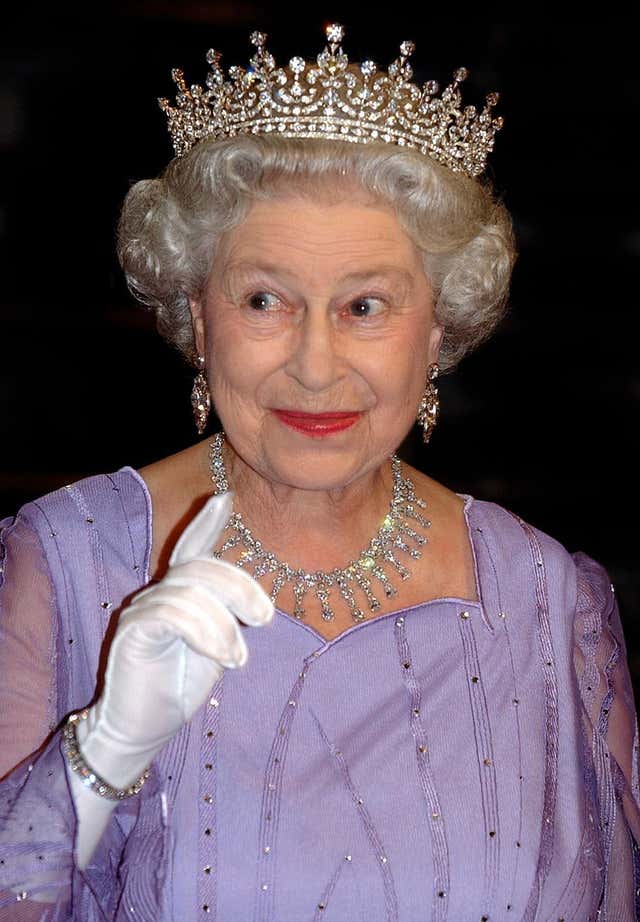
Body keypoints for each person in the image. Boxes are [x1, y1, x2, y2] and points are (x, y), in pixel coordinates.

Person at [1, 22, 638, 921]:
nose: (314, 363)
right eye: (265, 300)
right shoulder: (66, 561)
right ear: (196, 310)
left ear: (439, 328)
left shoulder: (546, 597)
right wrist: (97, 759)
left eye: (365, 306)